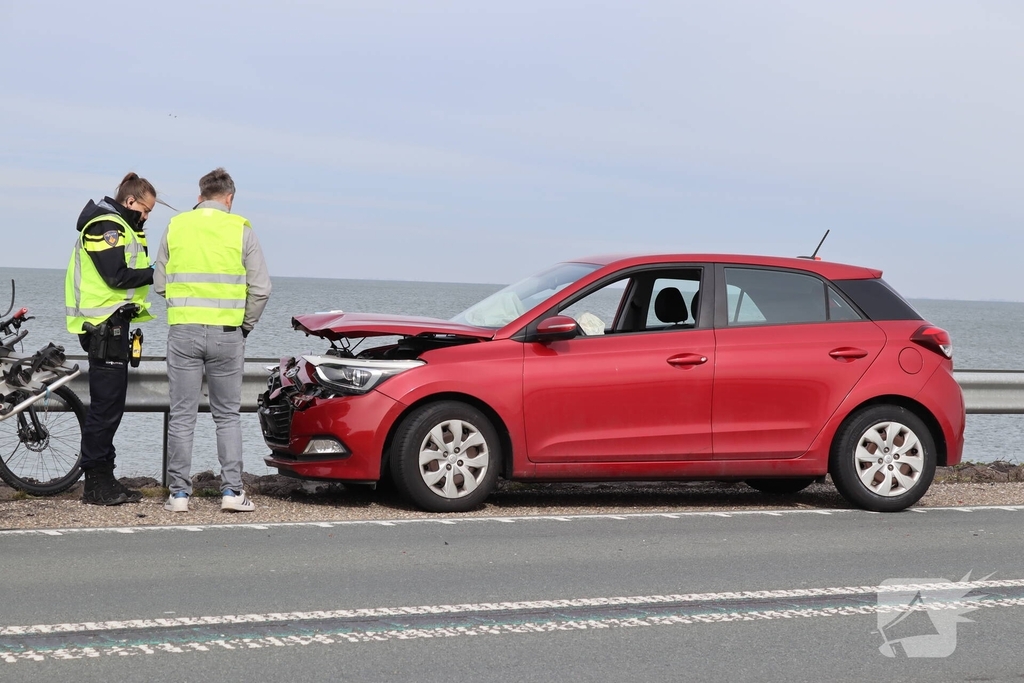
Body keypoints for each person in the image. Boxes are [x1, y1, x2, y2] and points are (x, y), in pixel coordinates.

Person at [154, 168, 271, 513]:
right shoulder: (241, 229)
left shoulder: (176, 226)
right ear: (229, 198)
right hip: (227, 334)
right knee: (227, 416)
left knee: (182, 416)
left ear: (200, 196)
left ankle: (178, 495)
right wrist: (244, 326)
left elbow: (160, 283)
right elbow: (261, 289)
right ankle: (232, 492)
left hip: (183, 331)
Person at [65, 172, 158, 505]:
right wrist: (160, 273)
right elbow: (116, 276)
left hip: (113, 324)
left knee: (111, 407)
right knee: (105, 409)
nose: (146, 217)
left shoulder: (122, 227)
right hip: (103, 326)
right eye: (145, 210)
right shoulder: (106, 226)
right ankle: (95, 484)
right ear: (130, 201)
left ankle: (107, 478)